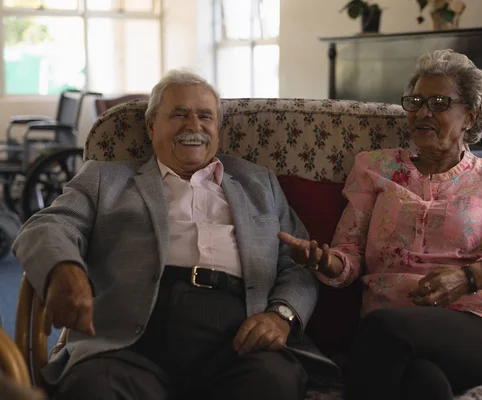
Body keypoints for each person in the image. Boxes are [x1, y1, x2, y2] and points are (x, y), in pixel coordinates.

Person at [13, 69, 336, 400]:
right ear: (151, 128)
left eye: (205, 116)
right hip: (131, 339)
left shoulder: (259, 183)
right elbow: (48, 225)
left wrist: (281, 315)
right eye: (179, 114)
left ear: (218, 131)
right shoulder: (105, 178)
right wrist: (63, 268)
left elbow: (298, 264)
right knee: (93, 389)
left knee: (272, 384)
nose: (193, 126)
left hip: (240, 337)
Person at [278, 49, 482, 400]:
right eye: (415, 101)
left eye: (439, 102)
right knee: (424, 384)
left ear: (470, 117)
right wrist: (326, 262)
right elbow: (349, 256)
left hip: (474, 327)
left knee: (382, 331)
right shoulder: (374, 167)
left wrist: (468, 278)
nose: (422, 112)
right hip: (393, 334)